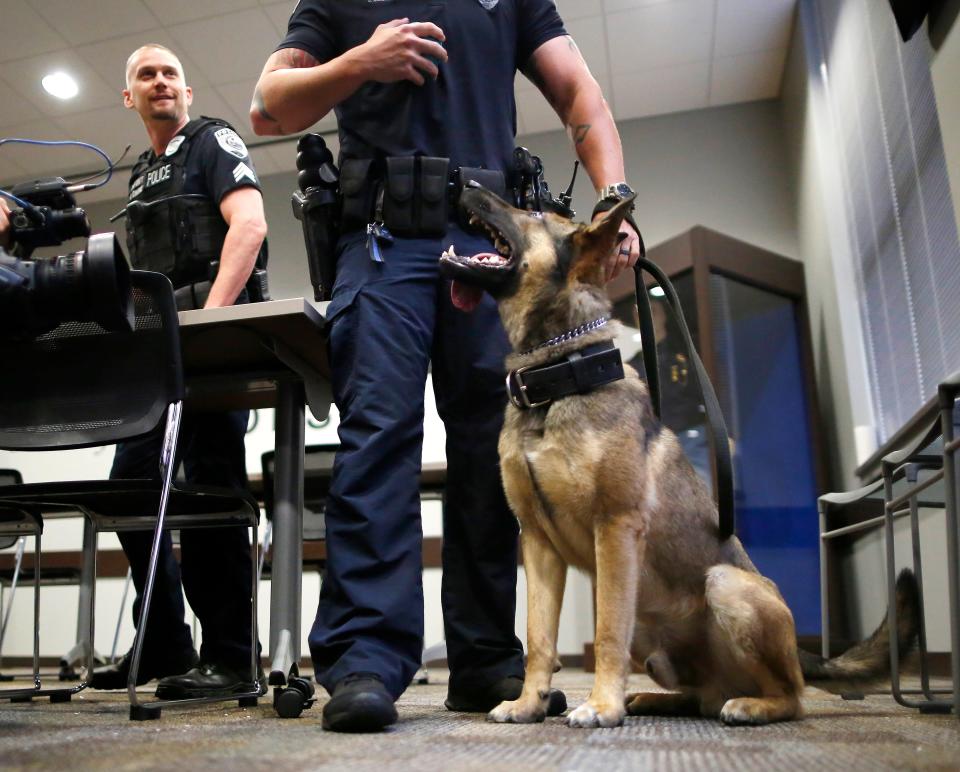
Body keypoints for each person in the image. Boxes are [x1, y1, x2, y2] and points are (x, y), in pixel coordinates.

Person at [251, 2, 642, 732]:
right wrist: (358, 63)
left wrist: (612, 202)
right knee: (378, 438)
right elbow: (269, 107)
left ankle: (487, 658)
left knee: (492, 449)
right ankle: (365, 658)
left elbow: (577, 92)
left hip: (491, 246)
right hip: (381, 240)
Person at [91, 43, 269, 700]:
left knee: (211, 492)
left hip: (210, 346)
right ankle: (165, 641)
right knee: (130, 489)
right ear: (129, 97)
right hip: (154, 356)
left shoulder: (211, 142)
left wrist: (210, 322)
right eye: (147, 75)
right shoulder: (141, 172)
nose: (161, 82)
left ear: (187, 93)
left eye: (171, 74)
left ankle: (232, 656)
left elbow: (247, 227)